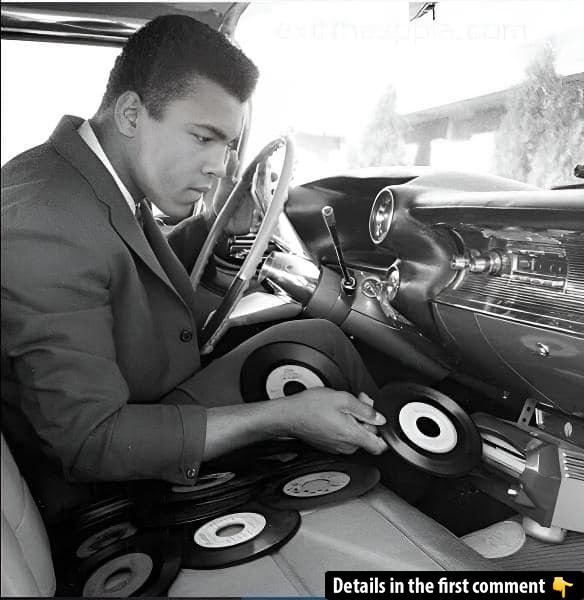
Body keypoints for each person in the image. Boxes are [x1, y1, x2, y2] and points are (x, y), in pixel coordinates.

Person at [1, 15, 387, 522]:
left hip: (147, 390)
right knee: (322, 345)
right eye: (203, 138)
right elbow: (90, 442)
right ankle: (421, 496)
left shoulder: (87, 178)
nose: (219, 166)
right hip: (105, 472)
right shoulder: (46, 222)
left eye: (227, 146)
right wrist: (282, 418)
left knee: (313, 337)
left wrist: (213, 227)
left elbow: (125, 256)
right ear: (132, 114)